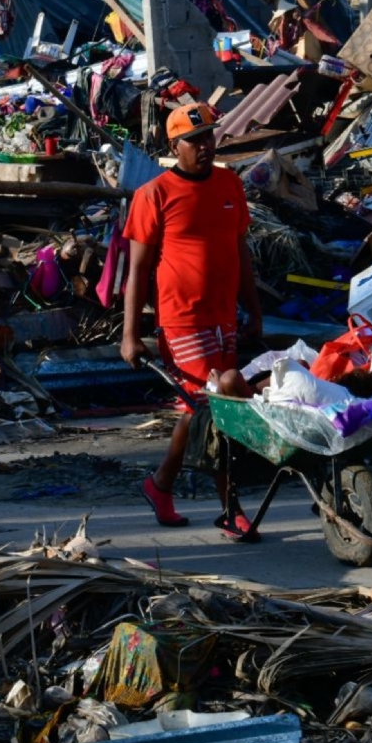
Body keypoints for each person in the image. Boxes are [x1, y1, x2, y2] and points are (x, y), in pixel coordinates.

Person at [120, 101, 262, 540]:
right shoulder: (153, 195)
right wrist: (130, 335)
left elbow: (241, 253)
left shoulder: (228, 184)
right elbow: (138, 270)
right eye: (194, 140)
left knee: (207, 410)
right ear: (174, 145)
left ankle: (160, 485)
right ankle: (230, 510)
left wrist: (254, 310)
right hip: (182, 321)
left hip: (224, 317)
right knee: (216, 410)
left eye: (209, 136)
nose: (204, 146)